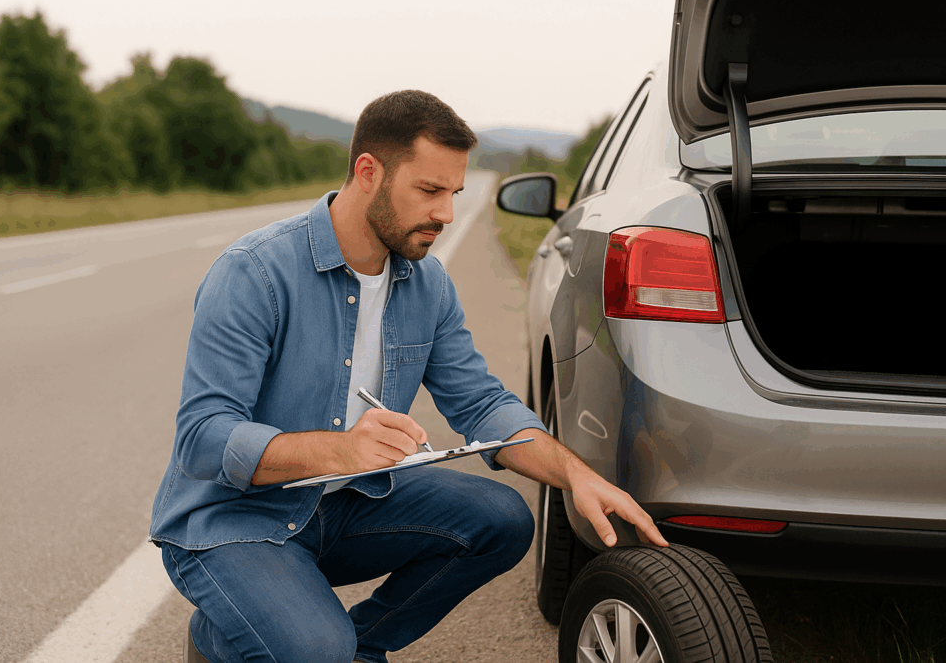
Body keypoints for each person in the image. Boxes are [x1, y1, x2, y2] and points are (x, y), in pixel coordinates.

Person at [148, 89, 667, 663]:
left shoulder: (428, 285)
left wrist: (578, 477)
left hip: (343, 506)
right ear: (368, 172)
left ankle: (359, 648)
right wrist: (341, 452)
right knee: (315, 651)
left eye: (454, 193)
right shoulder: (253, 274)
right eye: (430, 190)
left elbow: (481, 404)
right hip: (235, 519)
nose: (446, 213)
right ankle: (230, 635)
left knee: (502, 519)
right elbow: (204, 437)